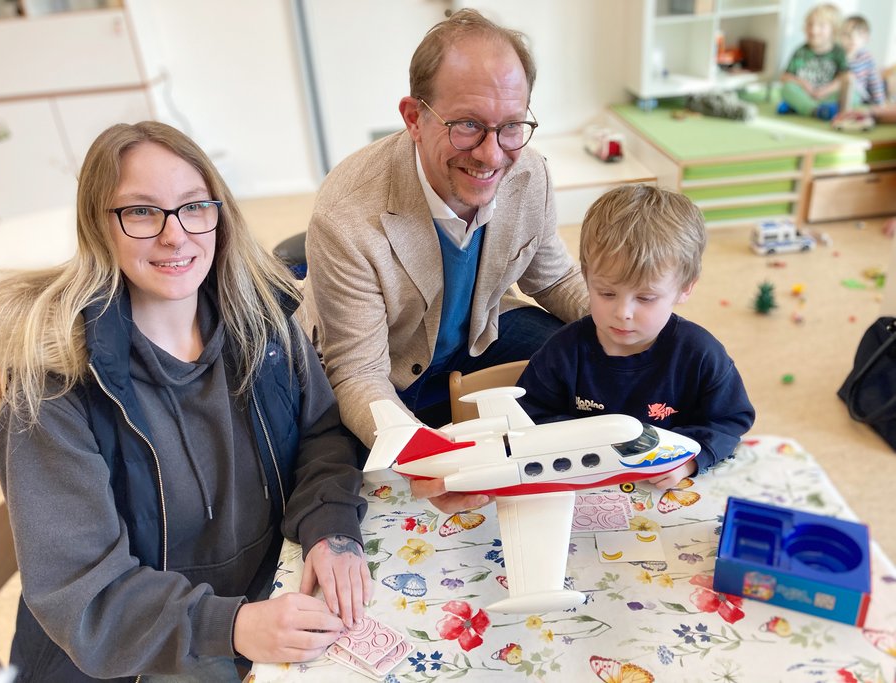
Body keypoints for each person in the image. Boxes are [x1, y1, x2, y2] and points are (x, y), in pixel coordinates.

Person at [0, 121, 371, 682]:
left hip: (264, 603)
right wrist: (234, 627)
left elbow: (321, 436)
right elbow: (85, 594)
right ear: (99, 225)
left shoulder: (263, 325)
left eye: (193, 206)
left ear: (220, 213)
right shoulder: (52, 388)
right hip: (125, 657)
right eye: (141, 212)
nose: (176, 236)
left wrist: (331, 525)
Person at [302, 9, 588, 461]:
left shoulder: (530, 172)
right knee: (349, 473)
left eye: (511, 125)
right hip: (384, 366)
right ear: (414, 118)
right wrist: (434, 457)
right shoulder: (345, 217)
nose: (492, 155)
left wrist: (650, 330)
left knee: (588, 358)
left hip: (475, 333)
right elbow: (359, 373)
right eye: (467, 125)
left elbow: (552, 280)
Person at [516, 184, 756, 489]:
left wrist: (692, 458)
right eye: (606, 293)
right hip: (585, 486)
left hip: (664, 491)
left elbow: (729, 421)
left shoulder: (700, 354)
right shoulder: (563, 352)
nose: (623, 312)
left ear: (686, 288)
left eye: (645, 298)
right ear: (586, 278)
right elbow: (527, 418)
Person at [778, 3, 852, 120]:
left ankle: (799, 108)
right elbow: (785, 76)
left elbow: (844, 78)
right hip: (805, 94)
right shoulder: (801, 51)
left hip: (827, 95)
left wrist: (826, 90)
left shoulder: (838, 52)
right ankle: (815, 110)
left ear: (834, 29)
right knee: (787, 89)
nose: (814, 30)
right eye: (810, 24)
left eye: (821, 26)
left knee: (853, 93)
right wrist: (803, 84)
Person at [840, 15, 886, 107]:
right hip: (837, 94)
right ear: (840, 36)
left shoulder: (866, 58)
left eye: (859, 35)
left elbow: (875, 82)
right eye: (847, 35)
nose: (853, 39)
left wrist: (880, 103)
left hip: (858, 97)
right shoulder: (837, 55)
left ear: (866, 38)